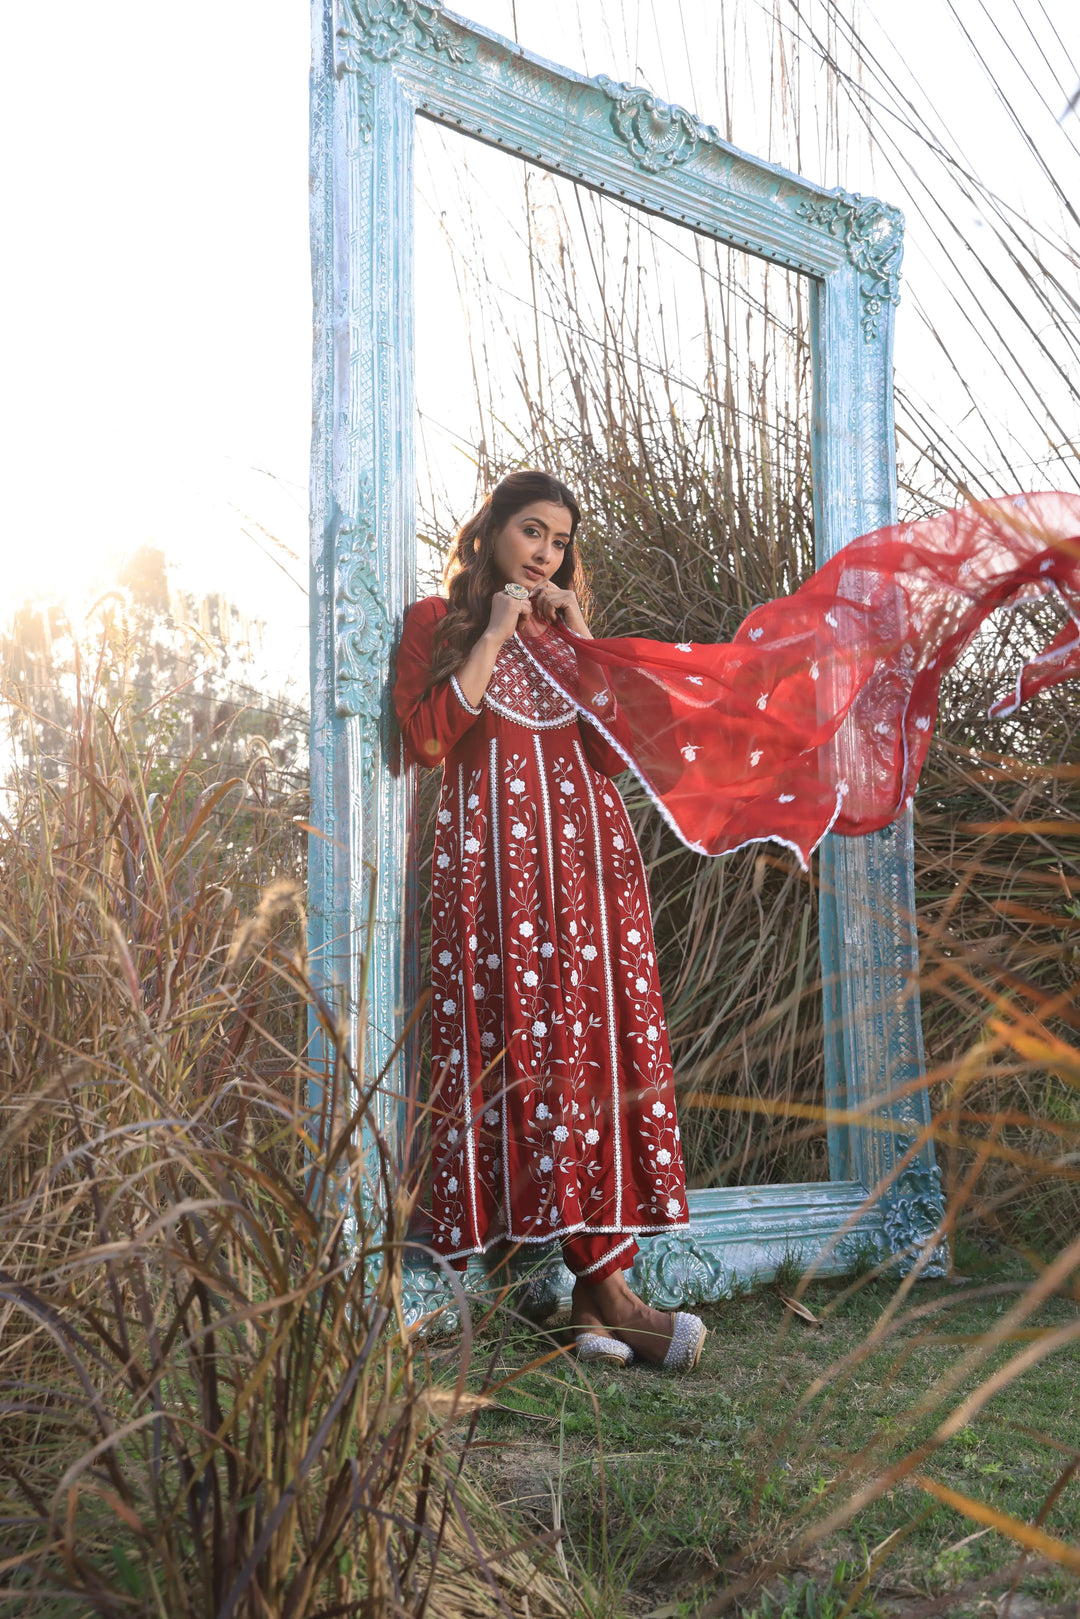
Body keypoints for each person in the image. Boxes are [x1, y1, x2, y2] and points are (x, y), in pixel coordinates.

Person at [393, 470, 706, 1370]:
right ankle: (599, 1295)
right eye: (531, 530)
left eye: (560, 540)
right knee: (517, 1046)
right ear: (491, 532)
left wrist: (582, 639)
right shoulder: (438, 623)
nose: (544, 552)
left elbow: (610, 755)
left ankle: (599, 1291)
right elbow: (427, 740)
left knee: (594, 1051)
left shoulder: (565, 636)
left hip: (587, 872)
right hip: (492, 874)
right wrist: (492, 633)